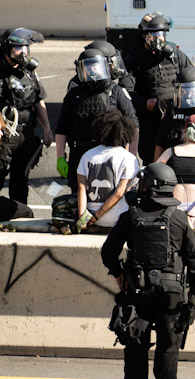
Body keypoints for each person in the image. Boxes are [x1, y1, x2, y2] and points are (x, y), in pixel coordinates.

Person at [100, 163, 195, 379]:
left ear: (149, 186)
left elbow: (108, 252)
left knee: (135, 348)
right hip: (171, 295)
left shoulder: (130, 216)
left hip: (138, 292)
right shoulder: (180, 218)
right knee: (168, 348)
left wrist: (119, 275)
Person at [52, 48, 138, 201]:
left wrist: (131, 157)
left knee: (111, 195)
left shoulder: (116, 92)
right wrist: (60, 157)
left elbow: (133, 126)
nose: (92, 71)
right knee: (79, 194)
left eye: (95, 66)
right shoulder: (74, 94)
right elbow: (62, 128)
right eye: (88, 67)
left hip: (111, 154)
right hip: (80, 153)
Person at [124, 11, 195, 163]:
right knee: (151, 160)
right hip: (150, 120)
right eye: (153, 34)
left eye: (161, 33)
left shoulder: (176, 55)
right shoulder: (133, 58)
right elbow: (126, 92)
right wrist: (145, 104)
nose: (158, 38)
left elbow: (192, 78)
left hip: (175, 118)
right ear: (144, 35)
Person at [0, 28, 52, 211]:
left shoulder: (29, 72)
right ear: (7, 49)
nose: (23, 53)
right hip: (4, 136)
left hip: (26, 134)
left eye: (26, 48)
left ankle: (18, 216)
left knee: (20, 179)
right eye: (18, 48)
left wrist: (46, 128)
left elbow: (39, 101)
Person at [74, 110, 139, 231]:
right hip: (118, 219)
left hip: (90, 219)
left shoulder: (87, 156)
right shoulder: (129, 158)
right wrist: (96, 216)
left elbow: (81, 188)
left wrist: (83, 218)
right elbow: (120, 193)